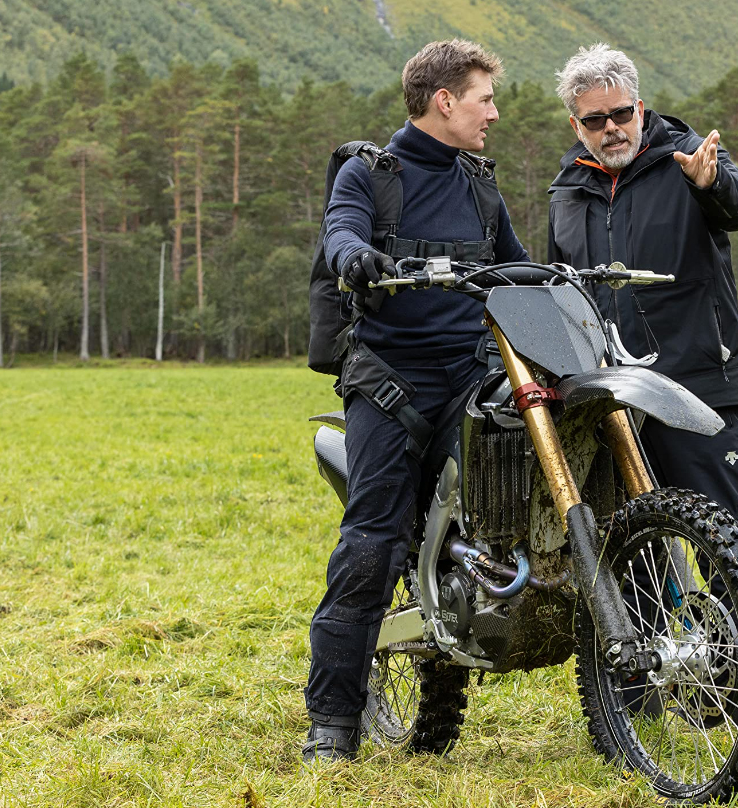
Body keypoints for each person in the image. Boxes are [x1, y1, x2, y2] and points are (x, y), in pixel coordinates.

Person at [547, 43, 738, 733]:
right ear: (576, 124)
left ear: (640, 104)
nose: (611, 128)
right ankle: (643, 705)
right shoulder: (567, 188)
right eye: (594, 119)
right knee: (626, 549)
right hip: (607, 400)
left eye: (620, 113)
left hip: (696, 386)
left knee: (728, 547)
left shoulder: (688, 155)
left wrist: (710, 183)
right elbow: (555, 285)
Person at [304, 39, 529, 763]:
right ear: (445, 101)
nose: (494, 112)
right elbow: (339, 232)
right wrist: (354, 257)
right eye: (485, 98)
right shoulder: (369, 175)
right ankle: (334, 724)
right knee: (371, 544)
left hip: (472, 376)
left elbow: (518, 268)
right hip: (391, 386)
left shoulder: (479, 184)